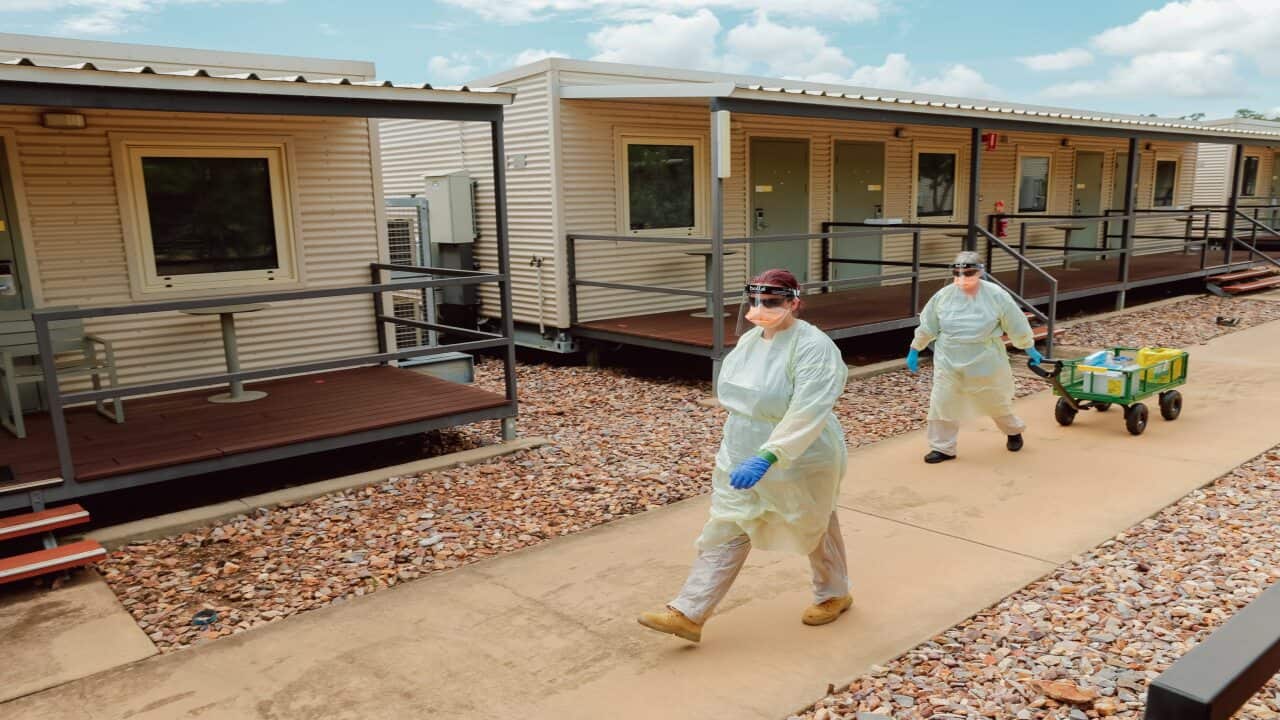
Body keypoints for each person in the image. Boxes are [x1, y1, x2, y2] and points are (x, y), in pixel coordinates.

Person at [637, 269, 852, 643]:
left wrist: (771, 455)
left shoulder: (814, 347)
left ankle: (834, 593)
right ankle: (689, 612)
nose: (760, 309)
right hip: (742, 448)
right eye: (755, 301)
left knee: (812, 522)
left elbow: (810, 408)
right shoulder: (752, 340)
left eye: (771, 302)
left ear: (794, 303)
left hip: (801, 452)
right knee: (729, 522)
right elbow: (739, 398)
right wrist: (738, 452)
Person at [906, 250, 1043, 464]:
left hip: (984, 357)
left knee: (994, 399)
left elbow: (1016, 323)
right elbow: (929, 325)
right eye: (958, 274)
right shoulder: (943, 296)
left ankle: (1013, 431)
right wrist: (916, 347)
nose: (963, 279)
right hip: (948, 357)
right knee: (943, 401)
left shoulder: (996, 295)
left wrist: (1028, 347)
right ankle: (942, 448)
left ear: (980, 272)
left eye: (968, 273)